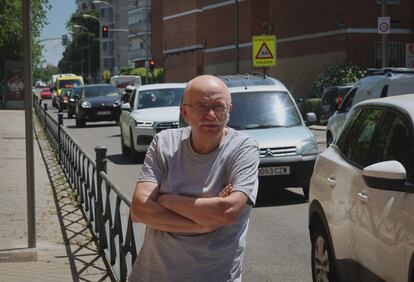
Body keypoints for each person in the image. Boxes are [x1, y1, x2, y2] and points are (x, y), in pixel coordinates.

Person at [129, 75, 260, 282]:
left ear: (229, 111)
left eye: (219, 106)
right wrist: (203, 223)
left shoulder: (243, 149)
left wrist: (166, 200)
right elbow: (138, 210)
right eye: (200, 107)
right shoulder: (164, 143)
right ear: (184, 112)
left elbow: (226, 212)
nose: (210, 115)